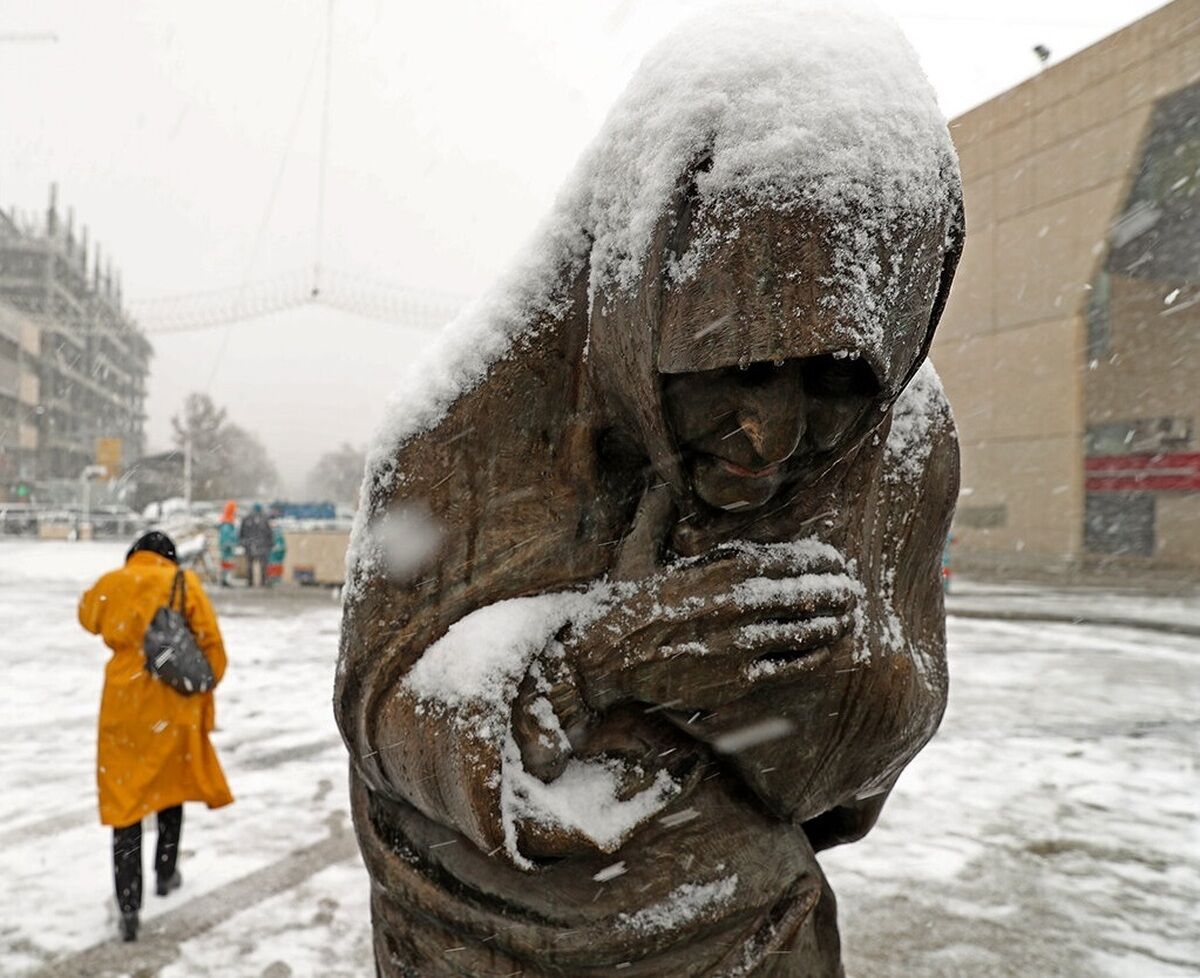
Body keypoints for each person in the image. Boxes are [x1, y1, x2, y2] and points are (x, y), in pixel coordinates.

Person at [78, 531, 233, 942]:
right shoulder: (184, 583)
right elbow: (214, 651)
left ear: (135, 555)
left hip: (123, 708)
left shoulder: (112, 583)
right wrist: (201, 683)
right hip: (173, 708)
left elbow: (87, 616)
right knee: (171, 790)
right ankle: (166, 874)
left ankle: (129, 906)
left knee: (125, 806)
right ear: (169, 556)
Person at [238, 503, 273, 587]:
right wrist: (270, 544)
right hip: (262, 545)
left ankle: (250, 582)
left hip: (250, 544)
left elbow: (241, 533)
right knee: (263, 565)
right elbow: (269, 533)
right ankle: (263, 582)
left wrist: (243, 542)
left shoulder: (246, 519)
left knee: (250, 565)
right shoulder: (264, 519)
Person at [217, 500, 238, 587]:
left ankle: (225, 580)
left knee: (226, 564)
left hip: (227, 547)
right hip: (227, 548)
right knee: (227, 564)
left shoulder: (227, 521)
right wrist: (229, 544)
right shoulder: (227, 523)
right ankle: (226, 580)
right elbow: (226, 537)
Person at [267, 522, 287, 587]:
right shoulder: (279, 535)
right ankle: (275, 578)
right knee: (275, 565)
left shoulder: (276, 535)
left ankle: (274, 578)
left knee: (274, 565)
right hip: (277, 555)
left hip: (275, 554)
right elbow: (282, 546)